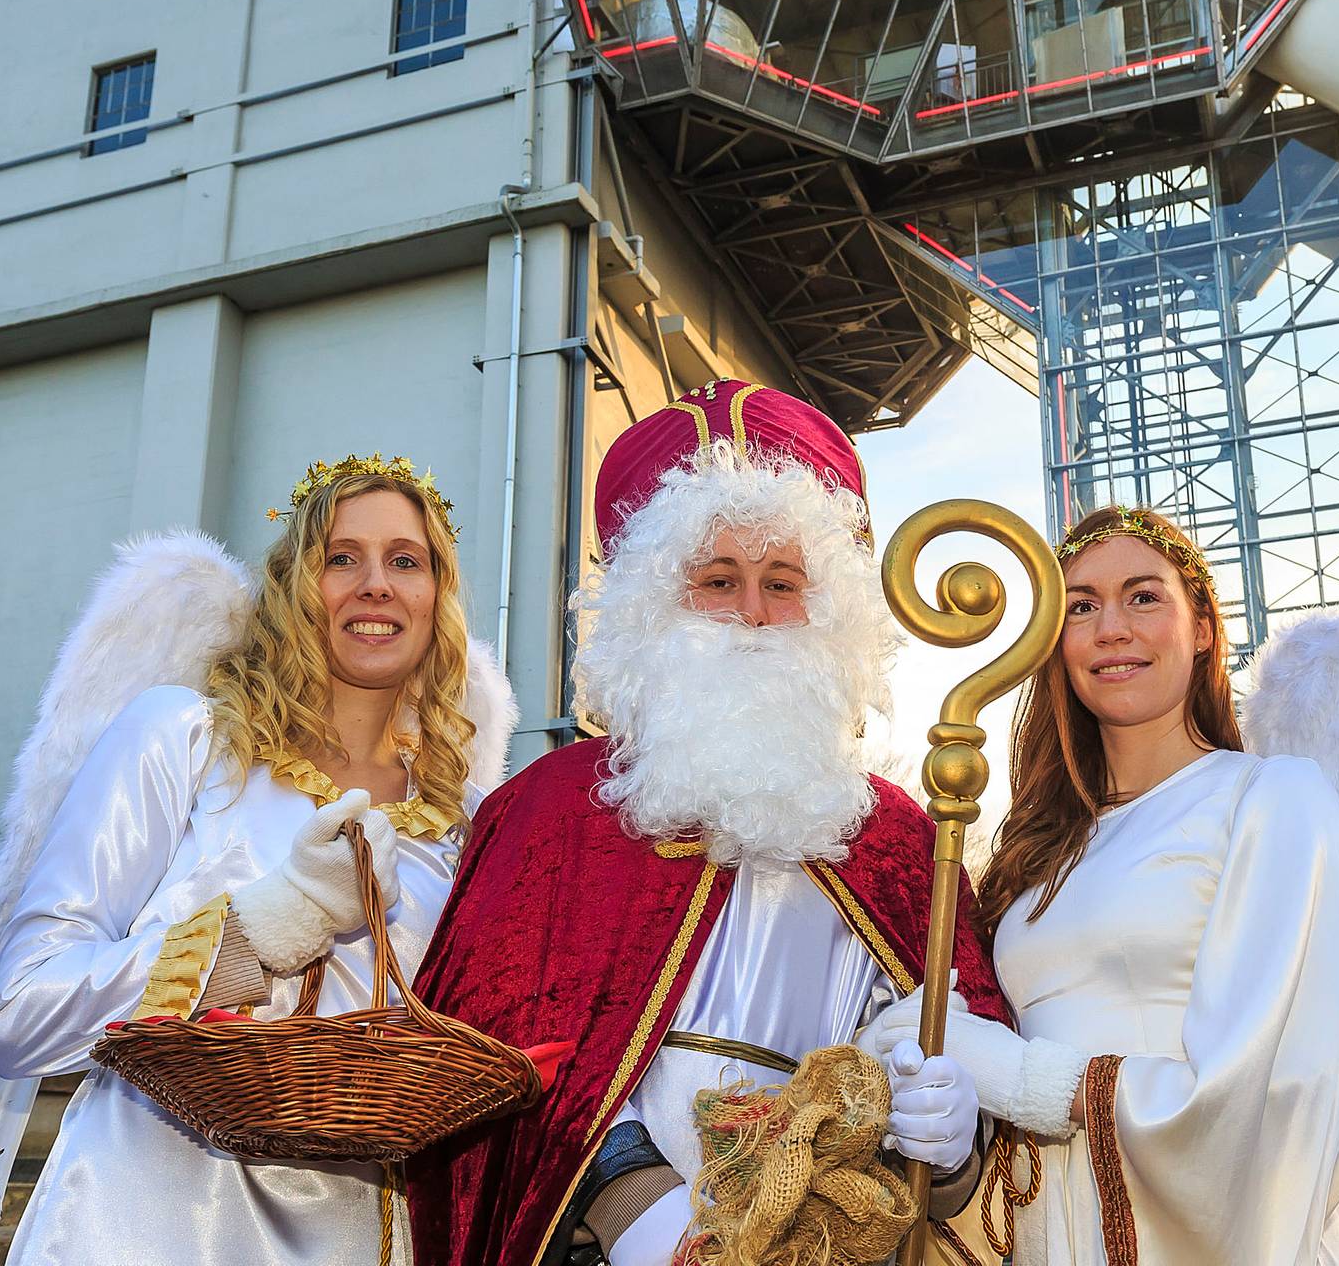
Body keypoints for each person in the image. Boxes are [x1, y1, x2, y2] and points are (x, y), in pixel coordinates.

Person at [406, 380, 1014, 1266]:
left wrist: (954, 1137)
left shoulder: (899, 839)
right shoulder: (549, 811)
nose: (757, 615)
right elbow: (483, 1061)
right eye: (717, 583)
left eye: (783, 582)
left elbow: (956, 1067)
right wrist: (638, 1212)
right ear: (654, 608)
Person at [0, 455, 517, 1264]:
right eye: (341, 557)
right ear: (292, 585)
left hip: (375, 1234)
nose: (375, 584)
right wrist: (272, 923)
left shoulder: (467, 822)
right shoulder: (186, 741)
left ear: (436, 596)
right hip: (150, 1225)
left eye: (405, 561)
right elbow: (18, 1017)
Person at [858, 505, 1339, 1266]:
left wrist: (1009, 1074)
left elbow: (1282, 1092)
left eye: (1143, 596)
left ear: (1201, 626)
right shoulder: (1035, 853)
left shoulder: (1273, 799)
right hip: (1049, 1238)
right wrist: (943, 1111)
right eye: (1079, 606)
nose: (1112, 628)